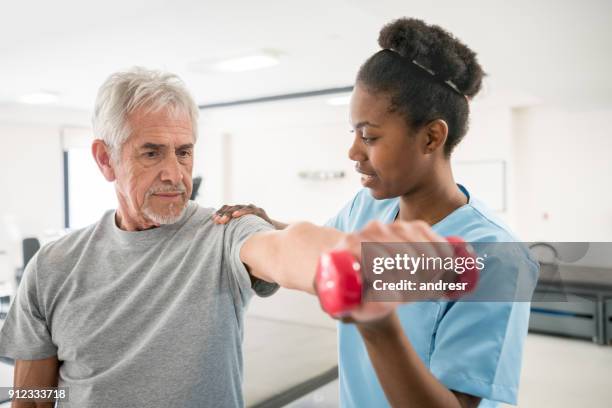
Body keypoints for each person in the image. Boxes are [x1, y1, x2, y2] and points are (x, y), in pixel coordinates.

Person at [0, 67, 452, 408]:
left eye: (184, 152)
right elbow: (32, 392)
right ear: (105, 159)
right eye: (151, 153)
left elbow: (286, 250)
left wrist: (346, 258)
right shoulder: (54, 265)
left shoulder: (223, 230)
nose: (174, 174)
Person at [214, 18, 539, 408]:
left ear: (432, 137)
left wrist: (377, 327)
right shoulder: (368, 205)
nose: (353, 152)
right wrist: (268, 225)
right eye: (354, 133)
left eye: (369, 136)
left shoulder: (496, 257)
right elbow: (327, 247)